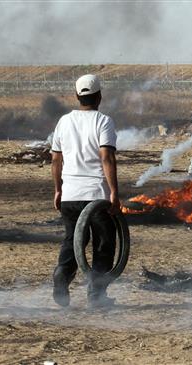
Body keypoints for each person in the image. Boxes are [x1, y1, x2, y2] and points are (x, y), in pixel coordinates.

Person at [50, 74, 120, 308]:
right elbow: (106, 157)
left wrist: (58, 190)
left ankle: (62, 273)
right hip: (96, 195)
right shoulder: (103, 121)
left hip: (70, 194)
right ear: (99, 96)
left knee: (73, 239)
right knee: (104, 243)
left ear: (77, 96)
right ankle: (96, 295)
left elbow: (56, 160)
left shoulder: (64, 121)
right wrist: (114, 192)